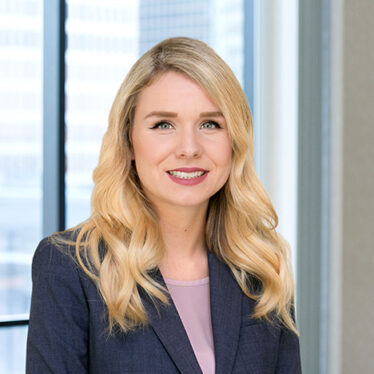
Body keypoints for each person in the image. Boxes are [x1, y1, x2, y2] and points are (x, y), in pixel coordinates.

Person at [26, 37, 301, 373]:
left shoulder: (261, 265)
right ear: (128, 142)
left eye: (210, 124)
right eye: (163, 125)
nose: (189, 148)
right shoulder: (70, 267)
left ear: (235, 141)